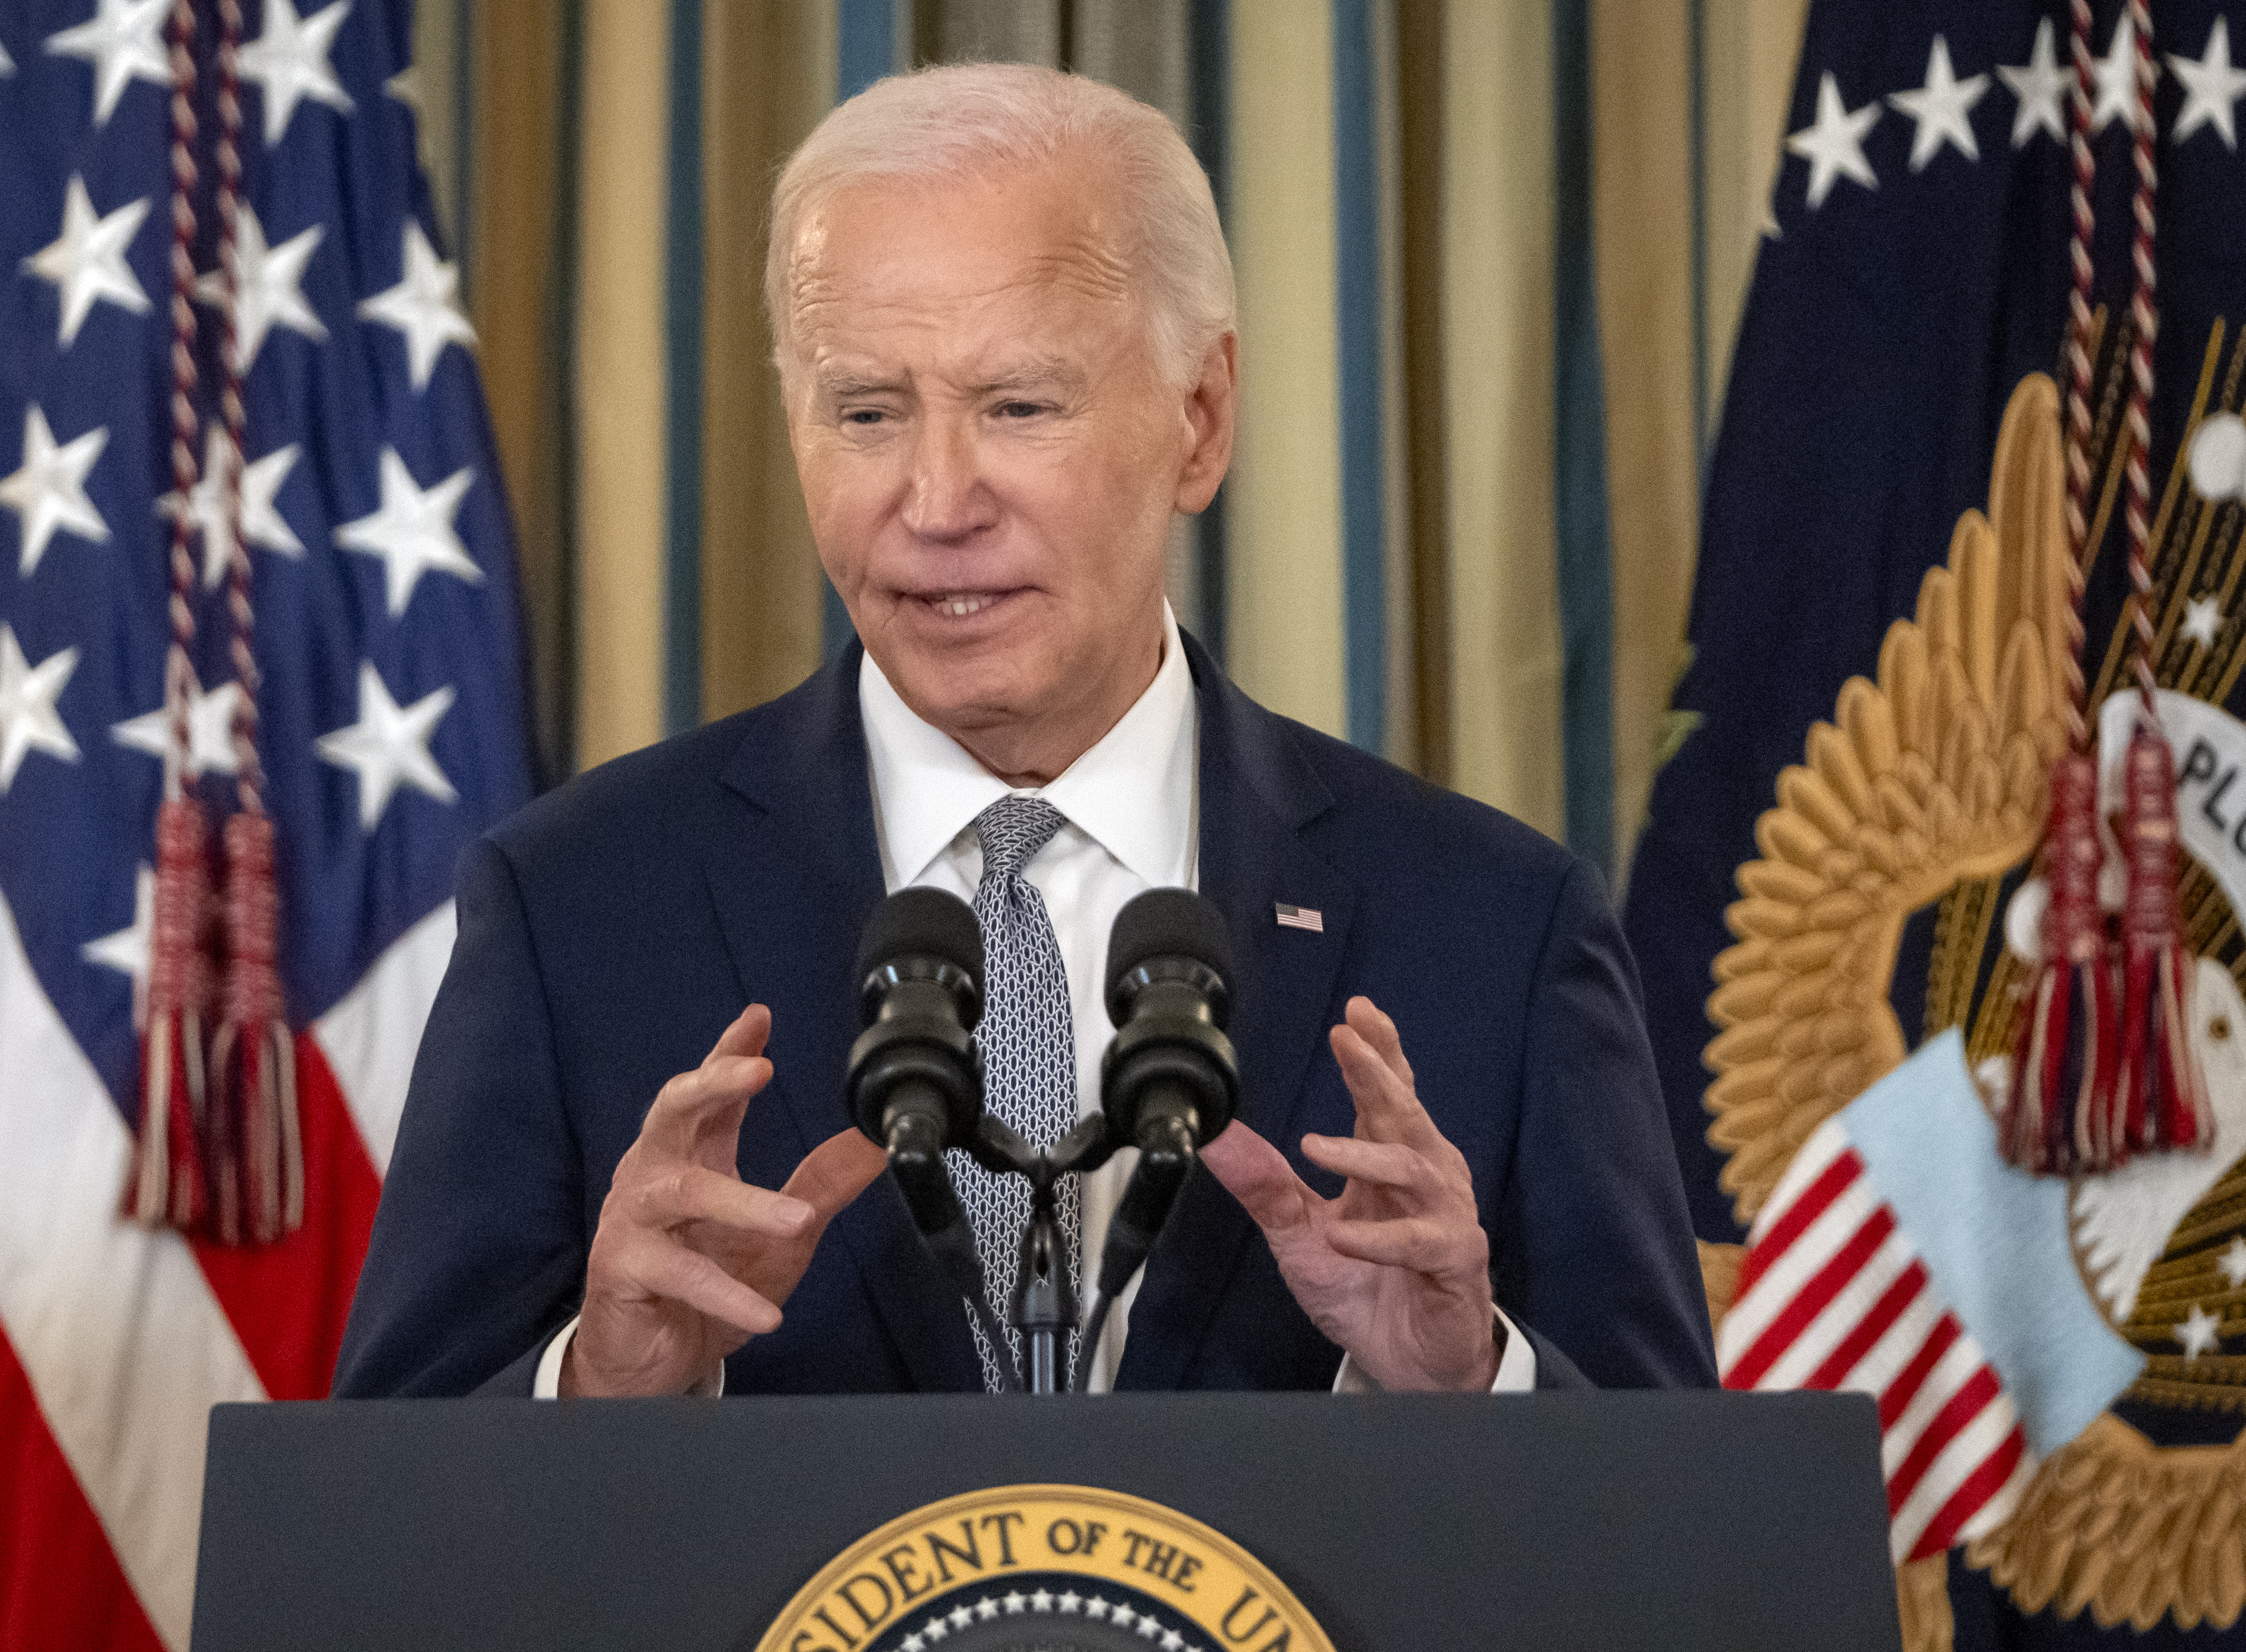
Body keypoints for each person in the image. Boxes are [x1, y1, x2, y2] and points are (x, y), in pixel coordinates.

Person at [333, 62, 1714, 1402]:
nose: (936, 500)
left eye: (1019, 407)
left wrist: (1469, 1384)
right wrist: (595, 1395)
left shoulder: (1492, 925)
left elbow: (1683, 1548)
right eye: (865, 411)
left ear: (1200, 419)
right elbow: (378, 1540)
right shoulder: (576, 904)